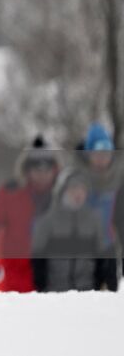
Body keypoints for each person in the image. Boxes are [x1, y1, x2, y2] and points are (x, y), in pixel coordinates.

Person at [0, 137, 60, 292]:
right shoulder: (10, 194)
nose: (42, 173)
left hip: (61, 284)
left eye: (47, 168)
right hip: (19, 287)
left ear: (55, 170)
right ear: (27, 170)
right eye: (36, 168)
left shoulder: (67, 194)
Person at [31, 168, 113, 292]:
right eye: (73, 188)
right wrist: (42, 288)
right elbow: (37, 259)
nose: (78, 193)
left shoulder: (95, 220)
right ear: (62, 191)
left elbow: (103, 258)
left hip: (87, 292)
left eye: (82, 189)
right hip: (55, 293)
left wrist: (100, 285)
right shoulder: (47, 221)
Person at [77, 122, 122, 290]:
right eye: (97, 154)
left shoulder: (116, 180)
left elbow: (120, 219)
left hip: (107, 247)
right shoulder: (76, 177)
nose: (102, 159)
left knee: (110, 295)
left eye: (106, 154)